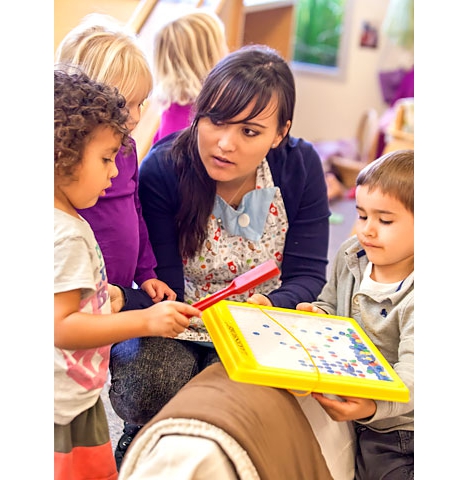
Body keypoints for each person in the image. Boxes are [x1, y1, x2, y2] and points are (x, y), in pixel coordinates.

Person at [108, 44, 332, 465]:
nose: (225, 144)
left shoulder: (299, 165)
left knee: (271, 401)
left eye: (250, 131)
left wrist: (273, 303)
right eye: (215, 121)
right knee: (152, 382)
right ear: (199, 110)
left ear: (280, 133)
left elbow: (307, 274)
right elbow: (163, 287)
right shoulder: (165, 167)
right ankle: (141, 437)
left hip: (261, 320)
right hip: (178, 319)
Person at [54, 69, 201, 480]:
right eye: (105, 159)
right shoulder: (65, 235)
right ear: (62, 154)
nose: (114, 172)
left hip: (73, 396)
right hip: (60, 409)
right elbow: (61, 326)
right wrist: (145, 320)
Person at [297, 149, 414, 479]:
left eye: (385, 220)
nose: (368, 230)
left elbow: (415, 375)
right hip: (356, 399)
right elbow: (330, 304)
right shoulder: (351, 256)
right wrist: (316, 313)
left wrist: (375, 405)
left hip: (403, 427)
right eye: (362, 215)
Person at [55, 15, 175, 303]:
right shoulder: (69, 166)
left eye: (141, 103)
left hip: (117, 293)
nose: (135, 117)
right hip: (77, 292)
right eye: (124, 105)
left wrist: (146, 273)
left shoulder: (129, 150)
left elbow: (135, 210)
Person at [151, 9, 228, 144]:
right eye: (223, 44)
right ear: (209, 57)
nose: (227, 51)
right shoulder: (206, 116)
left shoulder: (171, 109)